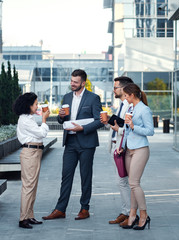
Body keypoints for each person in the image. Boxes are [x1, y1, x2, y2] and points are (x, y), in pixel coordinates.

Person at [42, 69, 104, 221]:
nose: (72, 84)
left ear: (83, 83)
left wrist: (82, 128)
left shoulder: (93, 98)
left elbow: (99, 121)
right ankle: (60, 209)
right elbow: (62, 120)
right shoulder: (67, 97)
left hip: (86, 143)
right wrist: (61, 117)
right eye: (71, 81)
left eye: (75, 82)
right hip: (70, 142)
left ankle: (84, 209)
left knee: (85, 176)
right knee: (66, 176)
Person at [117, 83, 154, 230]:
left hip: (140, 149)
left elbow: (150, 131)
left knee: (134, 183)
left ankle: (144, 214)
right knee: (132, 184)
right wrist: (122, 147)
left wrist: (133, 126)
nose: (125, 98)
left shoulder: (144, 110)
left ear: (132, 95)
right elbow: (126, 131)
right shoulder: (131, 108)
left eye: (126, 95)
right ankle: (132, 215)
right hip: (129, 150)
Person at [12, 92, 50, 229]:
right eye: (35, 104)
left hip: (35, 152)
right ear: (29, 105)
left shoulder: (29, 118)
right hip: (30, 152)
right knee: (28, 186)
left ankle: (29, 215)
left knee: (32, 186)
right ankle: (23, 218)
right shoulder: (25, 120)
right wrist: (45, 119)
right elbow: (41, 133)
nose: (37, 106)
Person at [100, 76, 133, 227]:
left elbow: (128, 129)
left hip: (123, 148)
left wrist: (117, 129)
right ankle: (126, 211)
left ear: (123, 89)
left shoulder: (130, 106)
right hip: (115, 146)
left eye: (115, 88)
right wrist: (109, 123)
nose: (113, 90)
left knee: (123, 181)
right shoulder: (121, 105)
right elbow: (119, 126)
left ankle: (128, 213)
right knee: (121, 182)